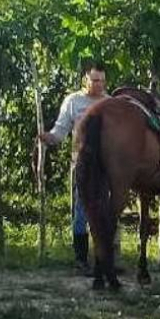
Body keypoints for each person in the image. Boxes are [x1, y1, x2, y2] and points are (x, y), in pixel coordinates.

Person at [37, 61, 109, 275]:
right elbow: (60, 130)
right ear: (86, 80)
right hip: (82, 164)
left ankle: (103, 260)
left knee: (105, 211)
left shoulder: (110, 103)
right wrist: (48, 137)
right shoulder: (73, 101)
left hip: (105, 166)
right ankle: (80, 259)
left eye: (103, 81)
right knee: (81, 211)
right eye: (95, 80)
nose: (99, 85)